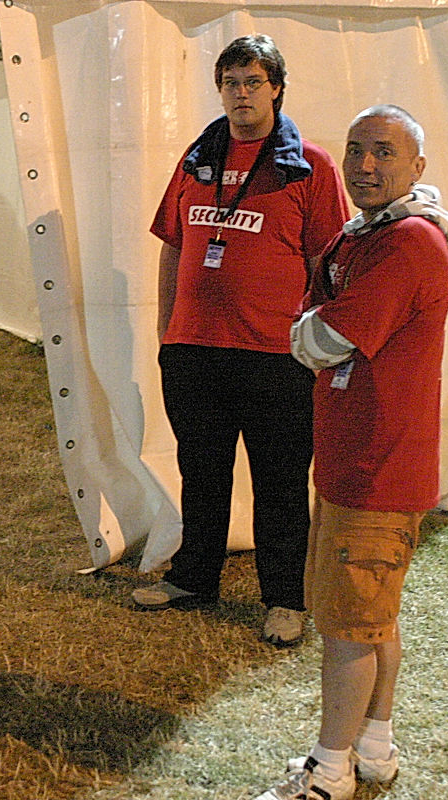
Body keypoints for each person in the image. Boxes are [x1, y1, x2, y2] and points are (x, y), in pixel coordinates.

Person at [255, 105, 448, 800]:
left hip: (378, 465)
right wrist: (315, 318)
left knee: (347, 629)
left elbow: (323, 338)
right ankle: (373, 748)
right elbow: (320, 311)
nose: (365, 165)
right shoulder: (368, 236)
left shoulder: (406, 243)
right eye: (355, 150)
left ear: (417, 167)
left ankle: (330, 769)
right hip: (362, 460)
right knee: (373, 619)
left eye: (384, 152)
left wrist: (308, 326)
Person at [134, 33, 348, 648]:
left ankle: (284, 598)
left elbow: (327, 260)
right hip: (194, 351)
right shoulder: (196, 157)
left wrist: (316, 340)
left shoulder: (309, 165)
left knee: (280, 483)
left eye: (254, 82)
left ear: (277, 89)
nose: (241, 94)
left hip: (275, 357)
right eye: (231, 83)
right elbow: (174, 245)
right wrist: (168, 330)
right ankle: (193, 578)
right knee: (201, 472)